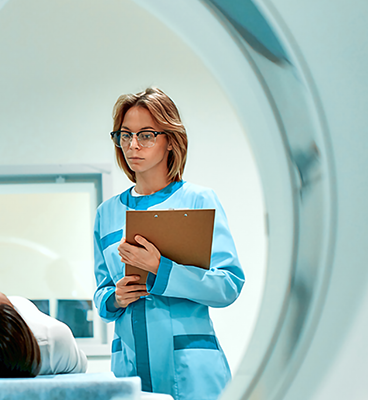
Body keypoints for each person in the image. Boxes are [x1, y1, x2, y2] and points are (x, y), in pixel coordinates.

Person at [92, 87, 246, 400]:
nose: (133, 145)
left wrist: (160, 270)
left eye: (146, 135)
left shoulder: (198, 200)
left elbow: (227, 285)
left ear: (170, 140)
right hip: (130, 366)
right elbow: (101, 292)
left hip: (191, 369)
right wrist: (115, 298)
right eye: (125, 135)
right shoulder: (107, 213)